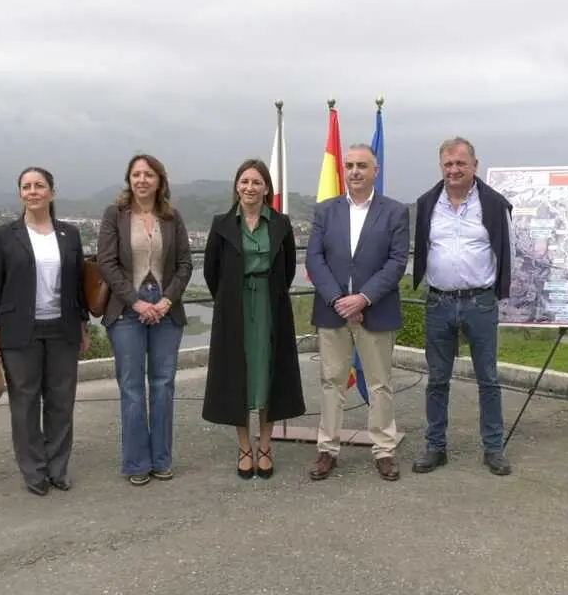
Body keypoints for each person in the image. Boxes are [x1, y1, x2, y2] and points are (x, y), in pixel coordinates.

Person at [0, 167, 91, 496]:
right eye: (26, 186)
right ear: (20, 194)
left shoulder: (69, 234)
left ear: (51, 192)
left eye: (39, 185)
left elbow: (78, 286)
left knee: (61, 402)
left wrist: (83, 325)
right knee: (25, 403)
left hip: (63, 328)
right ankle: (34, 472)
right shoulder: (5, 235)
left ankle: (58, 469)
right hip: (19, 331)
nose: (32, 191)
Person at [410, 136, 515, 476]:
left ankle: (494, 448)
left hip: (479, 302)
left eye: (460, 163)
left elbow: (507, 251)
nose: (454, 170)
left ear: (474, 165)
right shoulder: (428, 203)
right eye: (448, 164)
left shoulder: (494, 204)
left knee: (489, 379)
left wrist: (498, 293)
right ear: (441, 166)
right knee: (437, 380)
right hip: (439, 302)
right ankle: (435, 447)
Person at [305, 143, 410, 481]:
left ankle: (384, 450)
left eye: (362, 166)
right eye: (349, 165)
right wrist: (340, 300)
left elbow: (397, 262)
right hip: (332, 311)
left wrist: (363, 299)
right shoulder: (325, 211)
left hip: (376, 311)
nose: (354, 172)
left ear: (375, 171)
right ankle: (327, 449)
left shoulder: (395, 212)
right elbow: (314, 259)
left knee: (380, 383)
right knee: (331, 382)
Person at [201, 158, 306, 479]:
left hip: (270, 307)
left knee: (267, 374)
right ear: (237, 186)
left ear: (266, 189)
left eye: (256, 182)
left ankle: (266, 445)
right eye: (245, 181)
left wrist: (267, 291)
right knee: (239, 375)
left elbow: (288, 268)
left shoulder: (281, 224)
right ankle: (245, 446)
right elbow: (211, 272)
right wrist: (230, 297)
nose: (250, 187)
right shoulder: (221, 224)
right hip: (234, 308)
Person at [97, 154, 193, 486]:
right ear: (129, 179)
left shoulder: (172, 217)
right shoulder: (115, 215)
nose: (142, 180)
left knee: (163, 385)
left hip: (166, 307)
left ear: (159, 180)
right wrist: (136, 302)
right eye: (136, 174)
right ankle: (137, 463)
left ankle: (162, 460)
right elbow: (107, 263)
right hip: (127, 308)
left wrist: (167, 300)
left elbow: (185, 264)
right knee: (132, 387)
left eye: (149, 174)